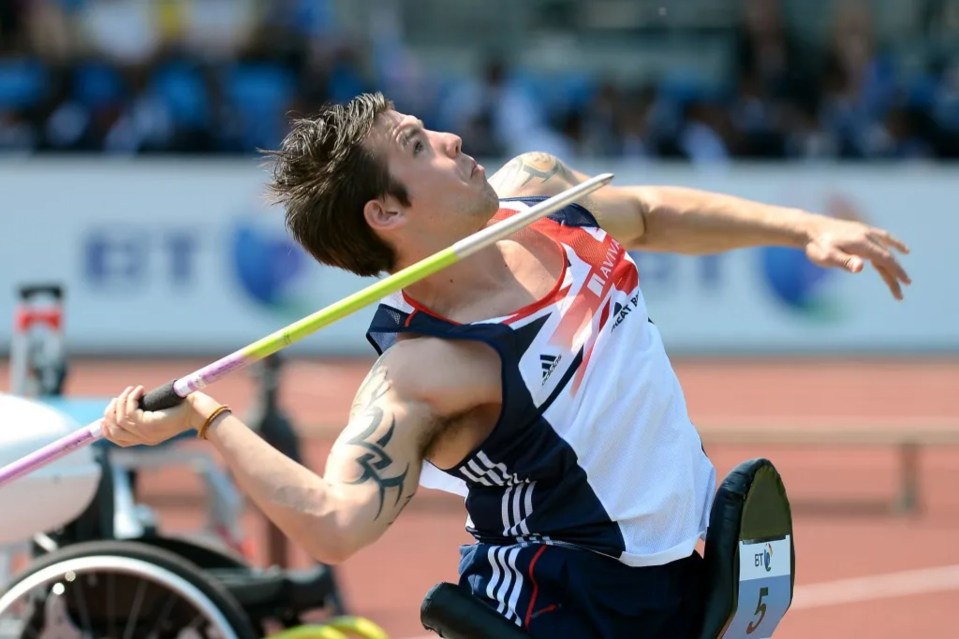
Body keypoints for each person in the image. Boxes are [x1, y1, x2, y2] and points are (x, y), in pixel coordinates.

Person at [102, 92, 911, 638]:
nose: (453, 140)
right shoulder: (426, 368)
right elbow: (336, 524)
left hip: (676, 574)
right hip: (558, 606)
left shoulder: (542, 200)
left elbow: (655, 214)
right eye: (420, 146)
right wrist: (210, 418)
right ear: (386, 213)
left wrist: (800, 226)